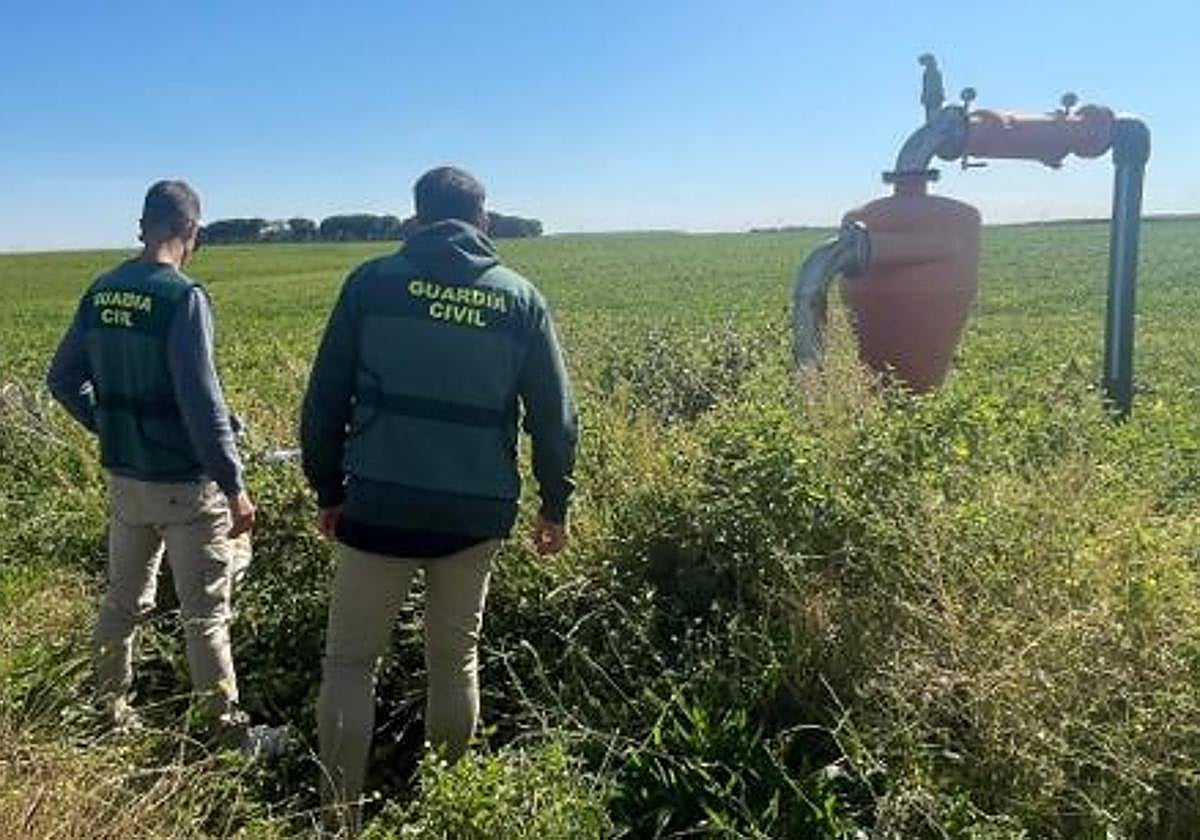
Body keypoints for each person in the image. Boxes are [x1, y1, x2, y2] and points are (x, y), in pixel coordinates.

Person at [301, 166, 578, 833]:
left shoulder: (371, 285)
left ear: (418, 218)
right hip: (473, 514)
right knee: (454, 662)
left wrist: (329, 489)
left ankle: (341, 819)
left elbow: (323, 402)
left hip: (377, 510)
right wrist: (555, 505)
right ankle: (445, 813)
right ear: (483, 221)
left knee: (348, 664)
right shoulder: (519, 298)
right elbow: (555, 417)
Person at [46, 180, 271, 750]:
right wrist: (235, 486)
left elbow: (61, 379)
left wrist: (110, 424)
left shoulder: (101, 292)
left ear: (142, 226)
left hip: (126, 480)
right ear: (191, 233)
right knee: (206, 616)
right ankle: (224, 738)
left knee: (123, 603)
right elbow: (203, 404)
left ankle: (109, 713)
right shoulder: (182, 297)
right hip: (186, 489)